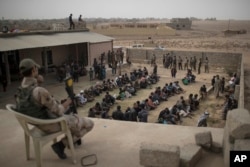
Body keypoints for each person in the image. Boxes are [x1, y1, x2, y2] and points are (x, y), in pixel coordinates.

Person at [15, 58, 94, 159]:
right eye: (36, 69)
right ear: (33, 70)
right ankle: (62, 144)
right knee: (89, 124)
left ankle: (71, 139)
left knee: (75, 122)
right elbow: (59, 111)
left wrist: (37, 82)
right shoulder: (39, 91)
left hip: (36, 123)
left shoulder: (19, 91)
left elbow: (32, 102)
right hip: (50, 124)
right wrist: (68, 101)